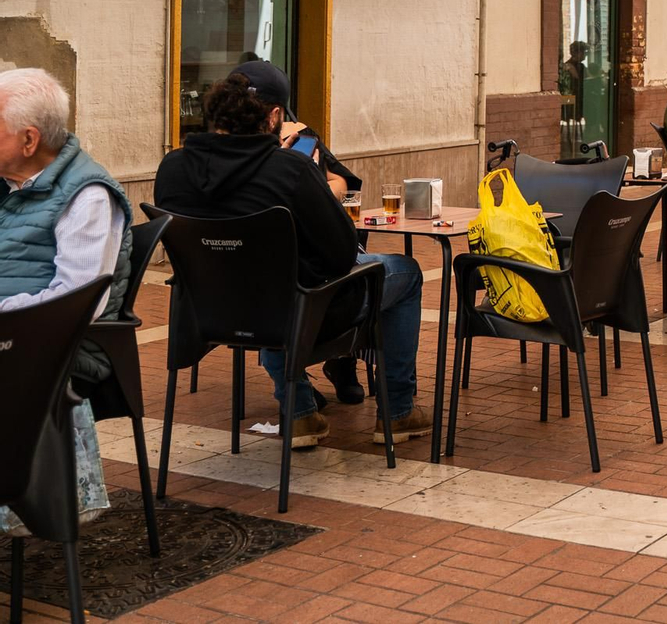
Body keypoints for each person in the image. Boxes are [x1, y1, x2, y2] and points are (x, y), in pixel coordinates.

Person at [153, 74, 427, 449]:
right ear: (274, 116)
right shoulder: (288, 169)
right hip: (295, 312)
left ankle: (299, 415)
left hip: (209, 314)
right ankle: (397, 412)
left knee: (272, 281)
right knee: (405, 272)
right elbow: (342, 253)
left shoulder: (172, 168)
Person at [229, 60, 372, 403]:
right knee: (388, 275)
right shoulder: (222, 161)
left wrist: (312, 183)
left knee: (338, 256)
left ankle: (339, 364)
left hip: (232, 296)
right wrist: (278, 167)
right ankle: (298, 391)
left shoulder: (301, 135)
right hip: (271, 283)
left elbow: (340, 180)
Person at [0, 69, 133, 383]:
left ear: (29, 140)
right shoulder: (8, 181)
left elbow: (75, 304)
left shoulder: (88, 198)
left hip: (53, 348)